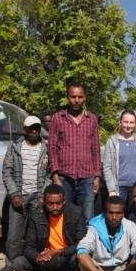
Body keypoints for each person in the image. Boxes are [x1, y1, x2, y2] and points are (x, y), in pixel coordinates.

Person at [11, 184, 87, 271]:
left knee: (81, 256)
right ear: (44, 202)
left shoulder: (76, 213)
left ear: (64, 201)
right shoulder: (36, 215)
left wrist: (59, 251)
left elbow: (82, 243)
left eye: (58, 203)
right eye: (50, 203)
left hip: (68, 258)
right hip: (47, 259)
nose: (55, 207)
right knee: (19, 263)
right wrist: (37, 256)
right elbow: (28, 245)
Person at [0, 115, 49, 271]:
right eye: (31, 128)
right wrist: (13, 194)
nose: (34, 131)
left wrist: (43, 195)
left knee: (37, 233)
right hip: (19, 196)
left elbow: (50, 174)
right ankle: (11, 262)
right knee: (14, 232)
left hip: (38, 197)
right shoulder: (14, 147)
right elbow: (7, 172)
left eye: (37, 127)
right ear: (25, 129)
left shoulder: (46, 148)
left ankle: (33, 261)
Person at [48, 82, 102, 222]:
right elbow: (52, 148)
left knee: (87, 218)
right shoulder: (58, 118)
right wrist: (55, 175)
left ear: (85, 98)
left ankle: (85, 244)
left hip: (86, 178)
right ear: (67, 97)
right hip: (64, 178)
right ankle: (65, 244)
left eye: (80, 96)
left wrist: (97, 176)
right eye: (73, 96)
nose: (76, 100)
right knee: (64, 217)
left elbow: (95, 149)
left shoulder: (92, 120)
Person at [102, 109, 136, 210]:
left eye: (131, 122)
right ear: (119, 122)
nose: (128, 126)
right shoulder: (112, 142)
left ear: (135, 123)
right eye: (126, 122)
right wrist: (111, 190)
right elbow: (107, 168)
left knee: (135, 219)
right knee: (118, 216)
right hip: (119, 187)